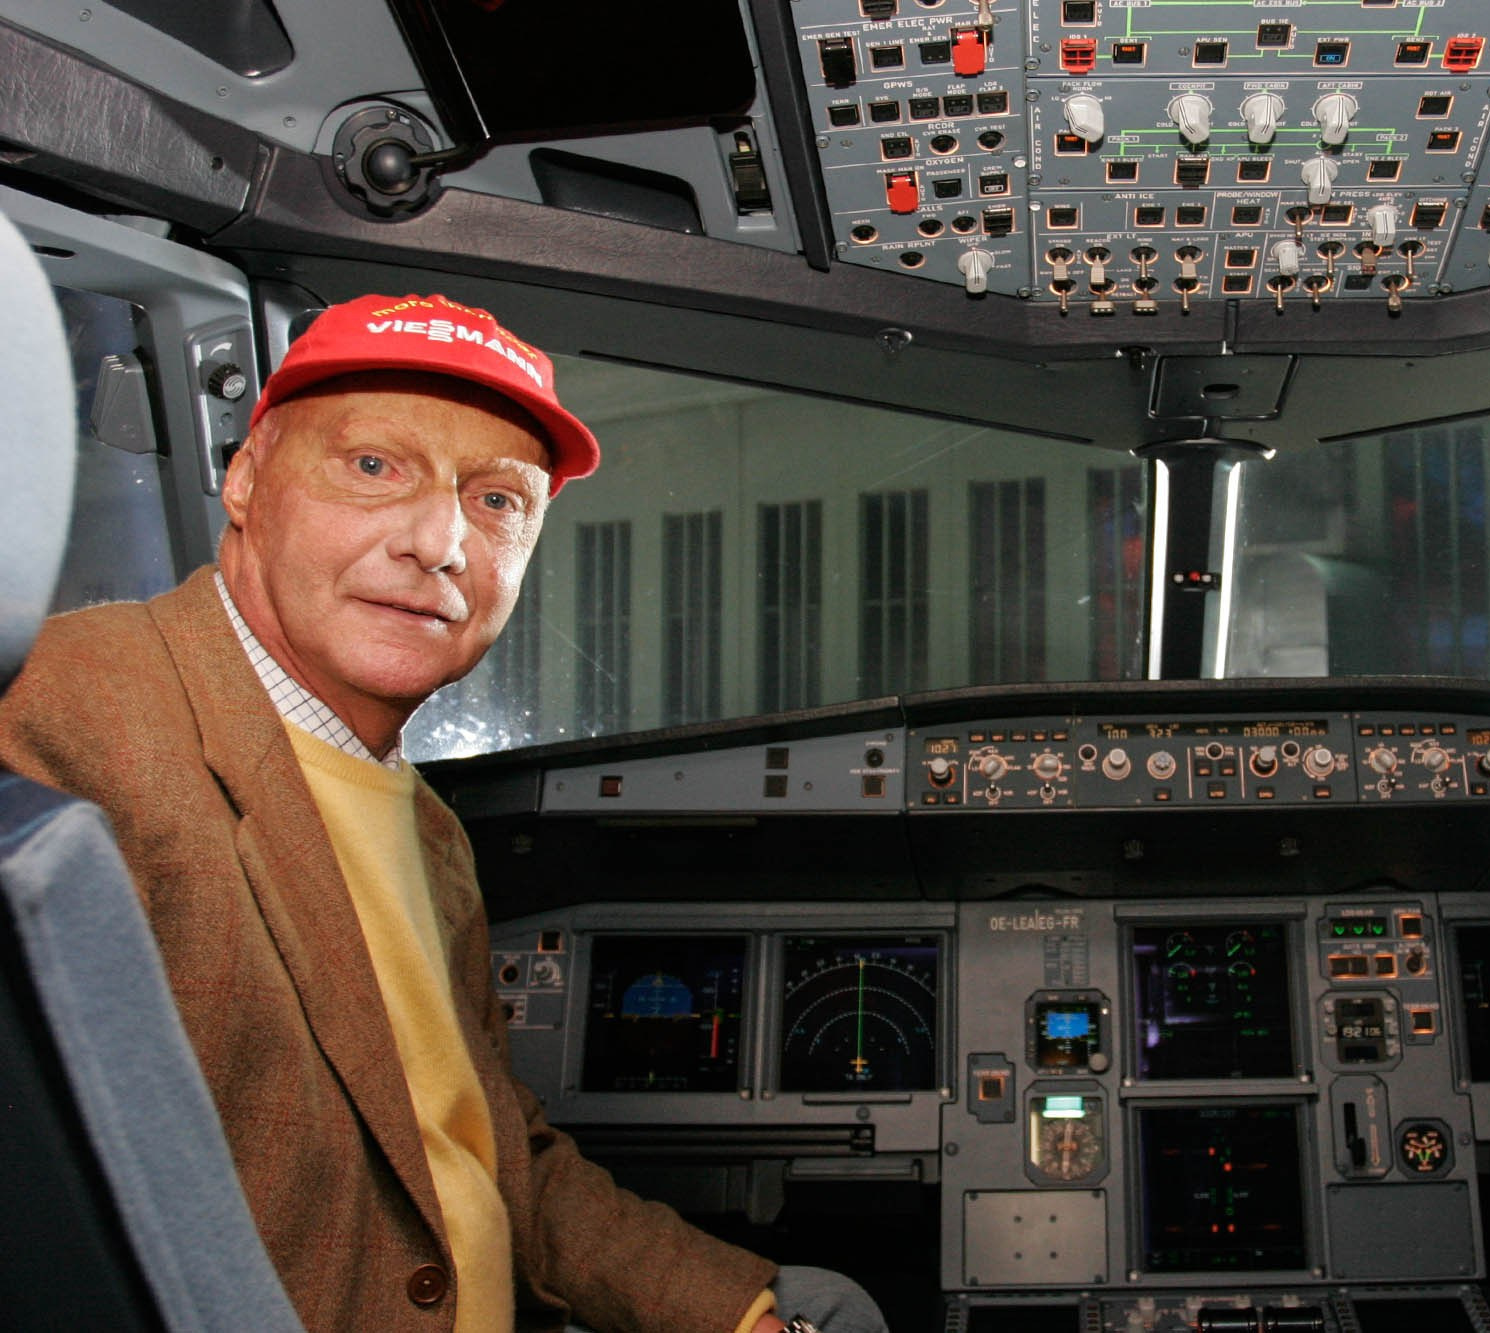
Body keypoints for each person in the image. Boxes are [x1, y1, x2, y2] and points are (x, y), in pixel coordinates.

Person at [0, 293, 887, 1333]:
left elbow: (482, 1151)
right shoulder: (67, 720)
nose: (440, 543)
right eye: (374, 466)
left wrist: (740, 1313)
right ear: (245, 477)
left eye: (498, 500)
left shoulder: (427, 831)